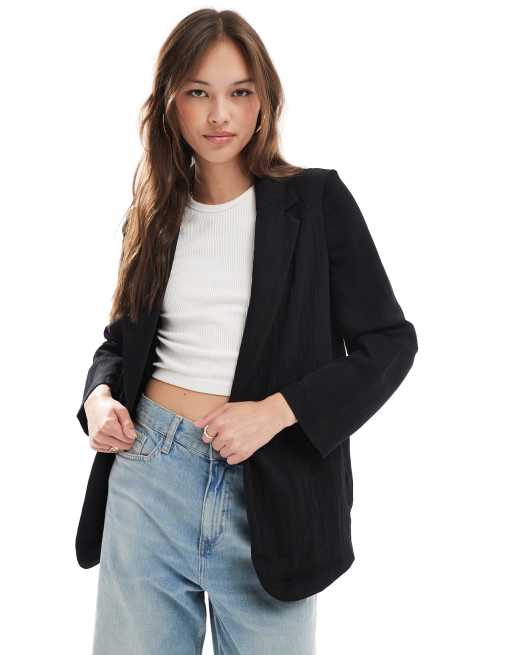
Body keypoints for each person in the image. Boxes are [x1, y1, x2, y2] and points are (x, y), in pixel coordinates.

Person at [76, 9, 418, 655]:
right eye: (197, 92)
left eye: (239, 91)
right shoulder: (152, 216)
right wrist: (98, 398)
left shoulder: (316, 201)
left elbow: (389, 342)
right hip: (148, 475)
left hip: (271, 486)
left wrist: (278, 411)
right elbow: (120, 343)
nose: (219, 115)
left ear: (264, 100)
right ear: (170, 104)